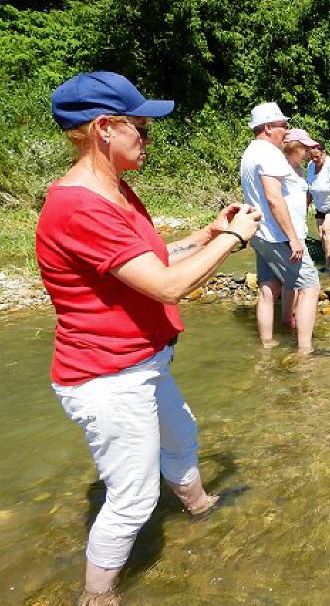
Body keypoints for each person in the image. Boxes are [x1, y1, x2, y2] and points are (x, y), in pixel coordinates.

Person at [38, 71, 262, 604]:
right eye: (141, 127)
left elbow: (149, 260)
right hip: (107, 375)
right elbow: (167, 286)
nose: (148, 138)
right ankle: (97, 596)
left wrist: (205, 235)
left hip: (142, 362)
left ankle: (201, 508)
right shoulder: (80, 206)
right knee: (133, 499)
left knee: (181, 438)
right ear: (104, 128)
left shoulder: (113, 190)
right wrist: (233, 238)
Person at [240, 115, 322, 353]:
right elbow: (274, 198)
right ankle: (305, 350)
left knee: (269, 288)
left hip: (263, 232)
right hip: (280, 235)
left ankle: (267, 344)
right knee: (310, 287)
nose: (309, 152)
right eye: (304, 147)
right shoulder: (273, 157)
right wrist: (294, 238)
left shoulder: (253, 152)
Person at [306, 141, 330, 272]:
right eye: (312, 157)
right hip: (320, 204)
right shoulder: (310, 166)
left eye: (317, 156)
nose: (314, 160)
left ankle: (329, 265)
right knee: (321, 234)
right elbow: (310, 188)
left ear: (324, 153)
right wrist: (305, 205)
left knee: (327, 230)